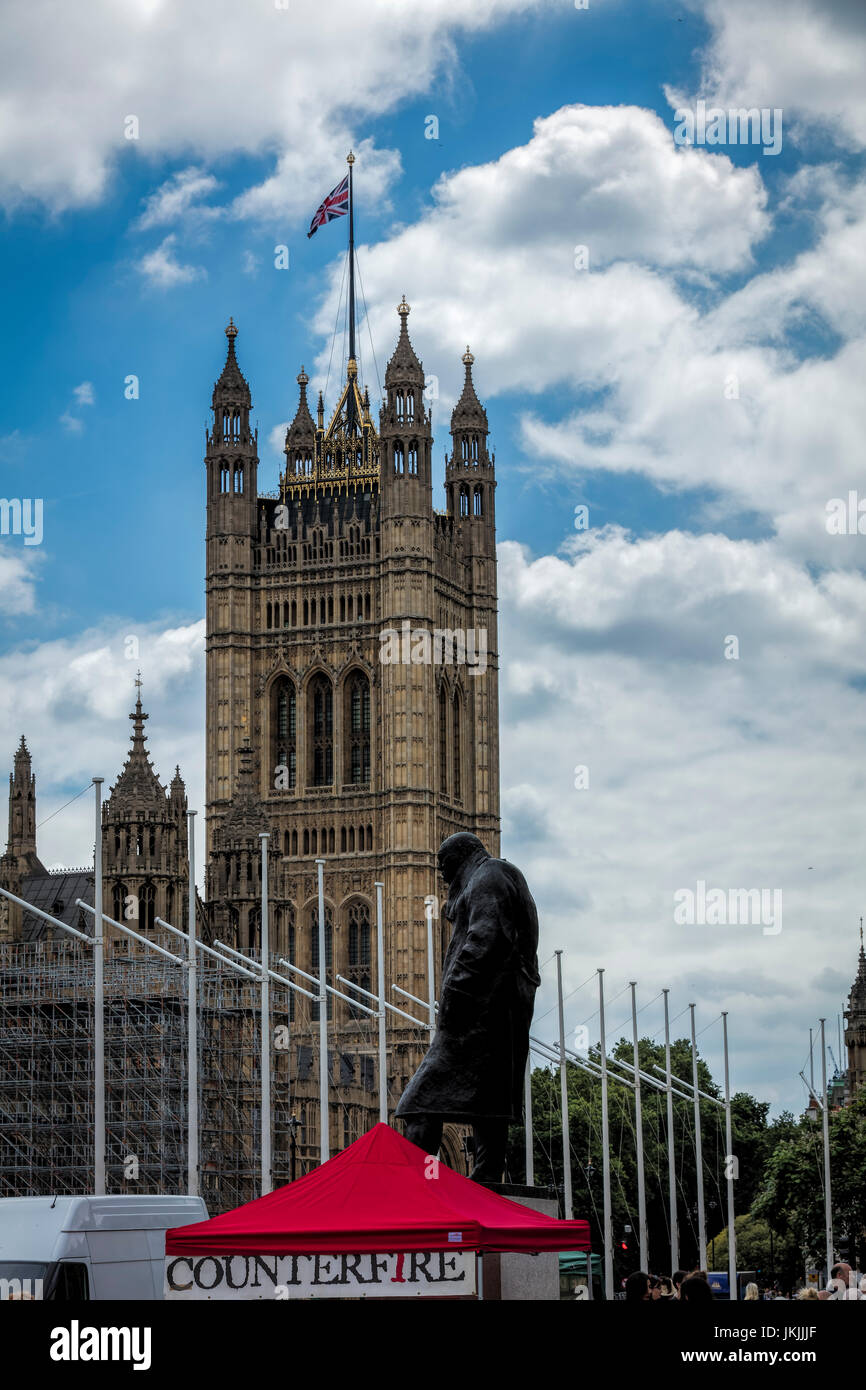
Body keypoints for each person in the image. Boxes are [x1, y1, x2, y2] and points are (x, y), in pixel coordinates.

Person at [397, 832, 541, 1183]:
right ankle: (485, 1187)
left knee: (418, 1103)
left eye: (445, 868)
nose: (444, 878)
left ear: (461, 858)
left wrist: (454, 994)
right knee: (490, 1109)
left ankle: (416, 1187)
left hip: (477, 1015)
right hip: (500, 1016)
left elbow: (485, 939)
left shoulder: (487, 877)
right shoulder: (500, 875)